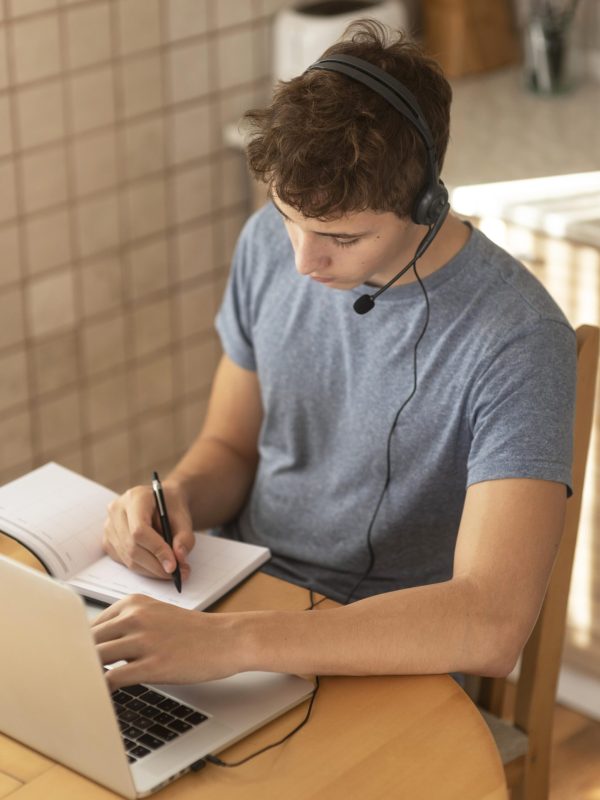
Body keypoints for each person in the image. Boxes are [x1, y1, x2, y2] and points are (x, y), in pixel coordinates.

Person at [93, 20, 576, 691]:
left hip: (386, 660)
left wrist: (237, 642)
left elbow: (491, 624)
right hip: (235, 605)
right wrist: (177, 498)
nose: (302, 259)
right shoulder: (268, 242)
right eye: (289, 219)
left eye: (340, 239)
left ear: (423, 203)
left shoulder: (518, 339)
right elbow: (231, 450)